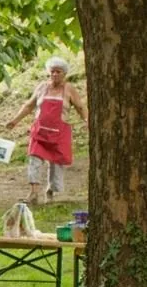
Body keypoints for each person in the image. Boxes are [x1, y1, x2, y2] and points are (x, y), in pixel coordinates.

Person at [5, 56, 88, 204]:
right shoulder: (42, 87)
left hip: (59, 133)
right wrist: (15, 120)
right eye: (52, 71)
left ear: (64, 74)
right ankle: (33, 193)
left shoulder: (69, 89)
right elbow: (29, 105)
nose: (55, 74)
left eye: (58, 71)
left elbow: (80, 107)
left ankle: (50, 191)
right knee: (34, 160)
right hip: (40, 132)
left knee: (56, 164)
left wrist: (87, 120)